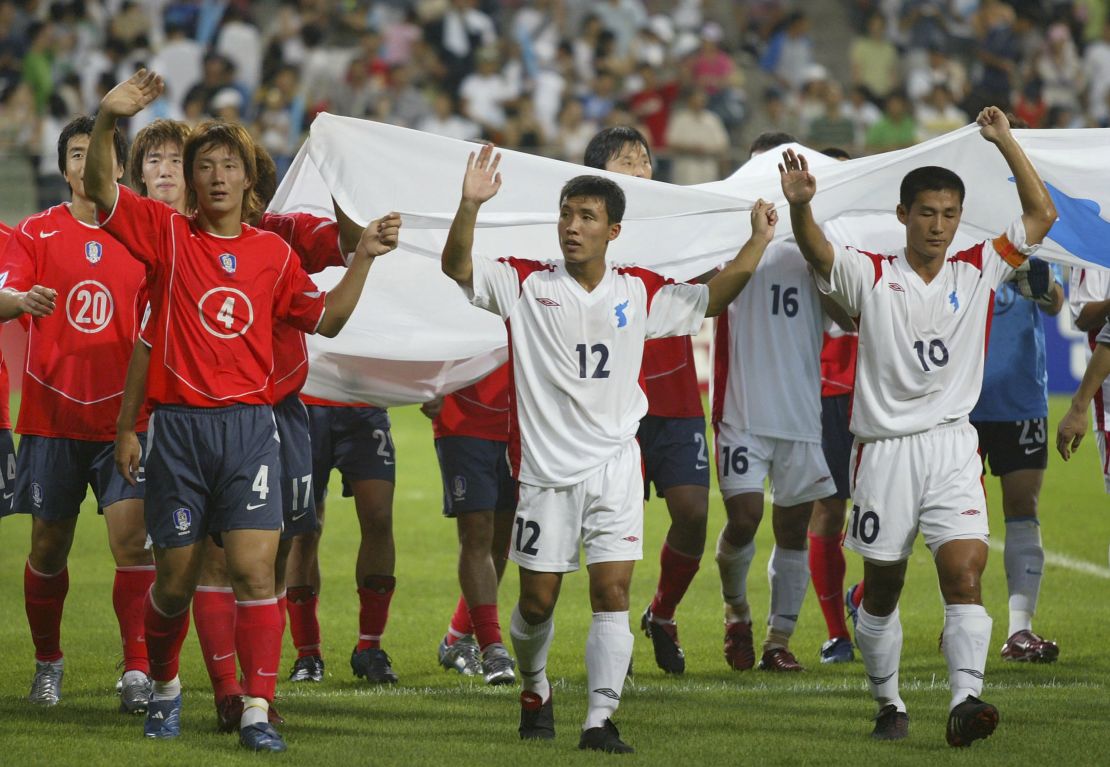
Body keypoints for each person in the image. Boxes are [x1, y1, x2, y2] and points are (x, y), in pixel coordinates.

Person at [86, 70, 395, 752]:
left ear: (248, 179)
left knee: (259, 569)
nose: (218, 176)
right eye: (206, 166)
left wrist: (365, 257)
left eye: (229, 165)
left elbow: (329, 320)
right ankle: (166, 685)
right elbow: (104, 190)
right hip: (181, 431)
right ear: (192, 182)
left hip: (253, 429)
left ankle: (256, 706)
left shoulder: (275, 252)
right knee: (175, 577)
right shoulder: (167, 235)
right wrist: (108, 117)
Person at [442, 143, 777, 753]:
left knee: (612, 593)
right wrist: (469, 205)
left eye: (587, 217)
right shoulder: (524, 282)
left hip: (617, 467)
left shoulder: (639, 290)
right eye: (566, 214)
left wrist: (756, 240)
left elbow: (713, 298)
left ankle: (599, 720)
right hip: (545, 475)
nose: (572, 226)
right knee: (538, 603)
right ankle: (536, 685)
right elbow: (458, 267)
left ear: (614, 230)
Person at [778, 106, 1055, 746]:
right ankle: (889, 702)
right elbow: (819, 249)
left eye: (949, 214)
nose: (938, 225)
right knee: (882, 588)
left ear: (960, 219)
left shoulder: (978, 268)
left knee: (964, 574)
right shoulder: (872, 273)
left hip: (954, 447)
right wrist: (800, 207)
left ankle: (966, 701)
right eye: (926, 213)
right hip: (884, 452)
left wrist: (1007, 143)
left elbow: (1041, 215)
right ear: (903, 215)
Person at [0, 115, 153, 713]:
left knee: (132, 542)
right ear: (64, 168)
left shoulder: (144, 232)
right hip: (51, 417)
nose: (88, 164)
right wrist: (19, 301)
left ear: (118, 167)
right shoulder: (35, 234)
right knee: (46, 548)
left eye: (102, 153)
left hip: (125, 422)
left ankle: (137, 669)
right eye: (77, 153)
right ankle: (48, 665)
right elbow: (4, 293)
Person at [711, 132, 837, 674]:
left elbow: (849, 315)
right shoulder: (726, 239)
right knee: (744, 518)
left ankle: (777, 641)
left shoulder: (818, 242)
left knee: (791, 529)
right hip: (741, 410)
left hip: (800, 414)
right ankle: (735, 611)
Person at [584, 126, 707, 675]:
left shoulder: (682, 227)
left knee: (693, 513)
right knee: (612, 526)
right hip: (610, 403)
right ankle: (614, 632)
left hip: (676, 393)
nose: (640, 168)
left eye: (644, 160)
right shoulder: (582, 236)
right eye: (626, 160)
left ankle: (662, 613)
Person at [288, 384, 401, 688]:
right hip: (306, 403)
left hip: (365, 401)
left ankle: (370, 646)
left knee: (379, 518)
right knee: (305, 528)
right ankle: (307, 653)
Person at [423, 363, 517, 685]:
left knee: (503, 537)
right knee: (477, 530)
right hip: (462, 418)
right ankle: (493, 648)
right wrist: (430, 384)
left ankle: (456, 637)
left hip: (521, 416)